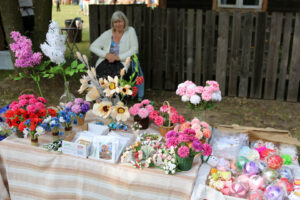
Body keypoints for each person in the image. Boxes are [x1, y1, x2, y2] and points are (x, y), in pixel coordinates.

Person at [90, 11, 144, 100]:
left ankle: (116, 98)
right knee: (101, 74)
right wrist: (106, 55)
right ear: (112, 23)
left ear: (124, 22)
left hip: (122, 62)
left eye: (120, 21)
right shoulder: (107, 33)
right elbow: (93, 46)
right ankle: (102, 97)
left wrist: (118, 57)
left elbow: (134, 49)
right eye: (115, 22)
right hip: (106, 61)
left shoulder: (130, 31)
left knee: (116, 76)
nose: (118, 24)